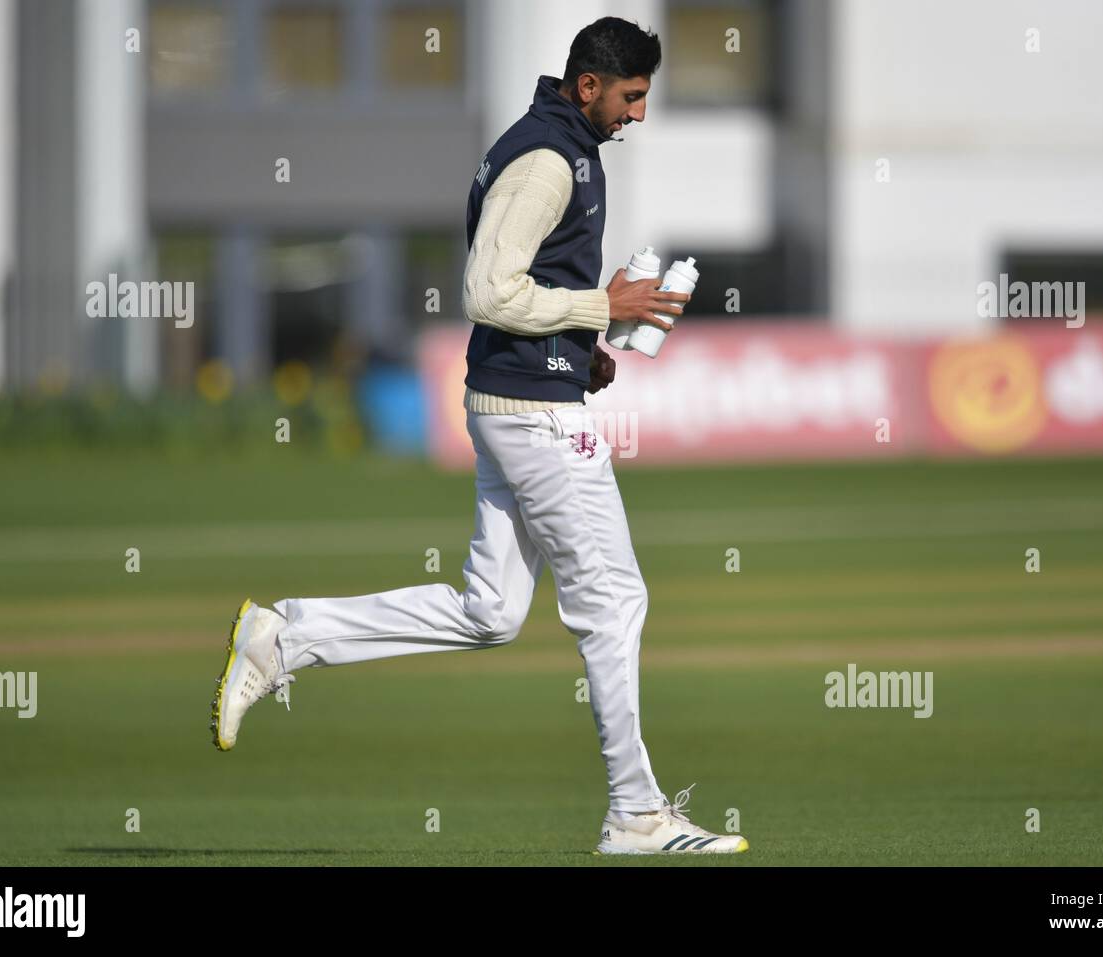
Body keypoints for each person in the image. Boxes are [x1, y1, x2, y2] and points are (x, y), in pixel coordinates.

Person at [210, 16, 748, 856]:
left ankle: (287, 636)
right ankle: (636, 813)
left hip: (520, 399)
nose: (638, 114)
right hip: (533, 418)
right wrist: (602, 309)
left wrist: (582, 353)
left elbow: (529, 292)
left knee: (491, 610)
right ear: (588, 87)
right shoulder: (544, 160)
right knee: (613, 602)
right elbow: (488, 292)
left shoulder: (560, 146)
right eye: (632, 97)